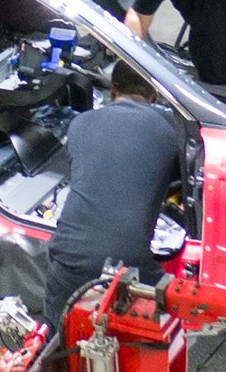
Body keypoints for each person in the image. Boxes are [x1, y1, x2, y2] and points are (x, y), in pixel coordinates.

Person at [38, 80, 193, 324]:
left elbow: (89, 174)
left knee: (53, 339)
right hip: (131, 261)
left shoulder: (80, 123)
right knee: (158, 335)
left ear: (113, 91)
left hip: (70, 253)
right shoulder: (171, 132)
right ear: (155, 97)